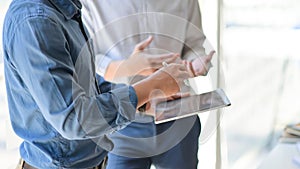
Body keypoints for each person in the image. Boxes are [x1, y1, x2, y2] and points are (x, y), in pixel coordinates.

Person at [2, 0, 190, 168]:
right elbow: (73, 119)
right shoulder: (36, 21)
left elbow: (87, 85)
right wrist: (148, 87)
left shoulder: (64, 10)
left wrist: (144, 99)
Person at [81, 0, 215, 168]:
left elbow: (193, 44)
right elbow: (86, 58)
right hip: (121, 121)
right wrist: (126, 68)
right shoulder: (90, 3)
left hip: (178, 117)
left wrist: (195, 63)